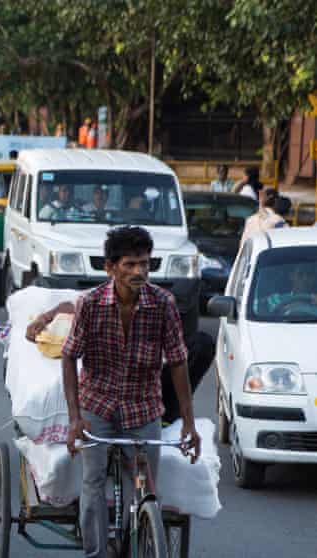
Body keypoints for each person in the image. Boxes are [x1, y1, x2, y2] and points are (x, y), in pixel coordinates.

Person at [61, 226, 200, 558]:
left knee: (145, 486)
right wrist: (74, 418)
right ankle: (95, 552)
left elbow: (179, 363)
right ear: (110, 267)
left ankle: (136, 536)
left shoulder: (163, 303)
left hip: (143, 407)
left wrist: (188, 424)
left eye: (144, 264)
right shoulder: (91, 304)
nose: (139, 272)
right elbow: (69, 356)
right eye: (130, 264)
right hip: (98, 402)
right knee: (93, 481)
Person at [27, 305, 214, 426]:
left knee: (203, 344)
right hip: (110, 391)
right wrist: (44, 318)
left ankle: (167, 417)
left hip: (149, 385)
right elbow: (68, 307)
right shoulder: (92, 310)